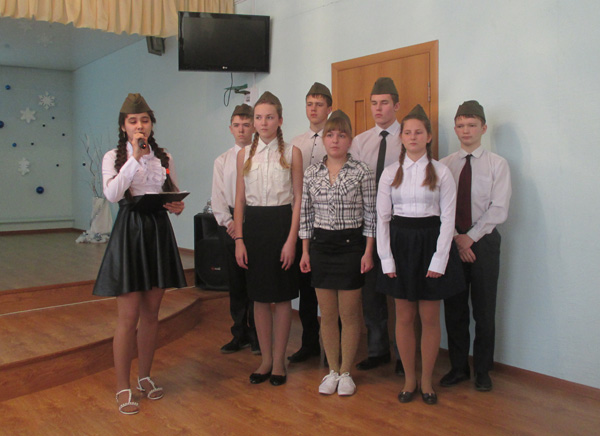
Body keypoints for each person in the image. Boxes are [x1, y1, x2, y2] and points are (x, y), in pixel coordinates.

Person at [93, 93, 187, 415]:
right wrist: (134, 157)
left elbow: (172, 193)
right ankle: (123, 386)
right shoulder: (113, 157)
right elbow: (112, 194)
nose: (139, 125)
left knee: (151, 313)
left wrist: (176, 205)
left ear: (151, 124)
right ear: (123, 126)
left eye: (144, 120)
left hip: (158, 232)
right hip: (130, 233)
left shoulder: (164, 156)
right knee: (128, 316)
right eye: (133, 121)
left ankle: (144, 376)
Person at [377, 104, 464, 405]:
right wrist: (386, 258)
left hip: (431, 244)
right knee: (403, 316)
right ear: (401, 137)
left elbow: (448, 219)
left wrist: (440, 259)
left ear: (428, 137)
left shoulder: (441, 172)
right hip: (400, 246)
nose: (413, 137)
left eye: (419, 132)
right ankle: (409, 379)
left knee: (429, 317)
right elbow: (382, 219)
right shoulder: (390, 174)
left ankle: (427, 380)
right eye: (408, 132)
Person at [300, 110, 375, 396]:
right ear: (324, 139)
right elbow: (306, 216)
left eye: (341, 135)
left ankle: (346, 373)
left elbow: (371, 216)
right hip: (320, 246)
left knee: (350, 314)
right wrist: (305, 251)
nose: (335, 140)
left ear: (350, 140)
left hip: (351, 247)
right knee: (328, 314)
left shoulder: (362, 171)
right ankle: (332, 370)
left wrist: (368, 252)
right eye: (330, 134)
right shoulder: (311, 173)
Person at [439, 101, 511, 392]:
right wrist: (458, 237)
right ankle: (458, 368)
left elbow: (499, 208)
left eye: (471, 125)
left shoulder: (497, 164)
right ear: (455, 129)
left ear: (483, 128)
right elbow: (441, 207)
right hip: (452, 242)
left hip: (484, 243)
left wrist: (470, 237)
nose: (465, 130)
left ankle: (482, 370)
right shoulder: (444, 165)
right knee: (454, 309)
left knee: (484, 310)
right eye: (460, 125)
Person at [234, 91, 303, 386]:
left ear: (280, 120)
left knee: (282, 297)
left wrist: (291, 240)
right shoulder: (243, 155)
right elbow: (239, 200)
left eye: (269, 117)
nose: (263, 123)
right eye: (259, 117)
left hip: (282, 224)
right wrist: (239, 239)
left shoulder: (292, 153)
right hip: (255, 228)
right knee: (259, 297)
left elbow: (298, 199)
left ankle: (279, 361)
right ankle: (265, 360)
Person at [350, 77, 404, 375]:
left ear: (396, 105)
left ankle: (404, 354)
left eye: (384, 103)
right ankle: (377, 350)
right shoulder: (360, 141)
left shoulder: (408, 137)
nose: (378, 108)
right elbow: (356, 183)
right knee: (371, 293)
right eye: (374, 103)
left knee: (402, 293)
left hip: (401, 225)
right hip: (369, 225)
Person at [288, 82, 333, 363]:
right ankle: (309, 343)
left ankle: (334, 349)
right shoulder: (296, 143)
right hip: (304, 222)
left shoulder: (337, 139)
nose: (313, 109)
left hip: (331, 223)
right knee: (306, 289)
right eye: (309, 104)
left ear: (329, 108)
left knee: (331, 289)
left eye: (319, 104)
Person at [211, 104, 259, 355]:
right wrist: (230, 223)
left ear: (254, 127)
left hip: (256, 221)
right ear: (230, 128)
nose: (242, 130)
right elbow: (218, 196)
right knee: (236, 282)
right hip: (229, 224)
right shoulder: (222, 161)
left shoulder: (262, 156)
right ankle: (239, 333)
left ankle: (258, 335)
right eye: (237, 125)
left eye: (246, 125)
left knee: (256, 281)